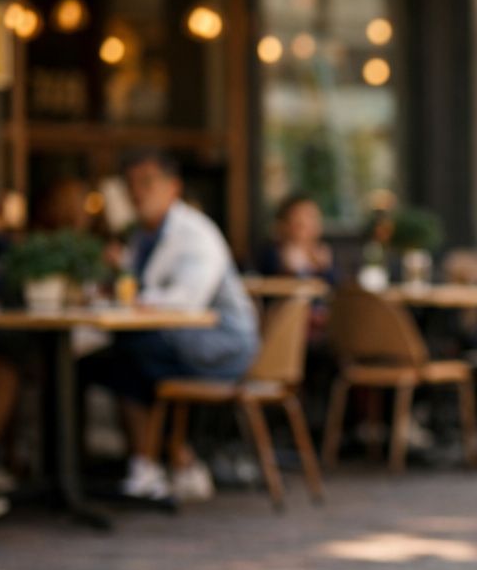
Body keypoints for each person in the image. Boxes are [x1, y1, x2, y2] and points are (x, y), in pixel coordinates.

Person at [80, 150, 260, 502]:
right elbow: (131, 290)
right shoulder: (140, 236)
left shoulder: (195, 233)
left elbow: (186, 302)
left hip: (222, 345)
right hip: (174, 338)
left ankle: (161, 463)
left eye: (147, 182)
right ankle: (158, 464)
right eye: (131, 185)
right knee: (96, 362)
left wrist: (131, 296)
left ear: (173, 187)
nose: (137, 193)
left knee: (130, 355)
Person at [256, 192, 335, 281]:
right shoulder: (274, 254)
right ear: (284, 225)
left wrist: (324, 268)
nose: (309, 224)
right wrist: (297, 270)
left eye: (313, 217)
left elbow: (334, 285)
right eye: (300, 221)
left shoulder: (321, 253)